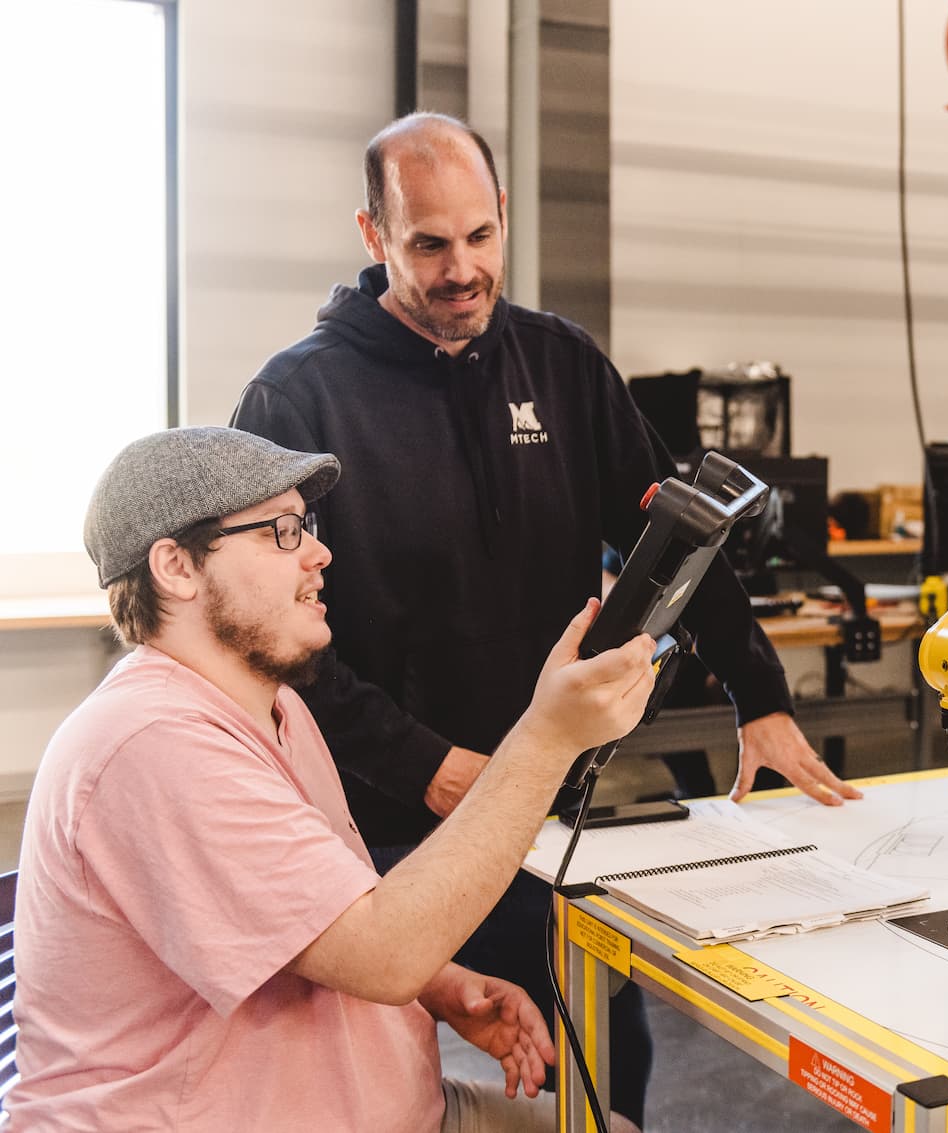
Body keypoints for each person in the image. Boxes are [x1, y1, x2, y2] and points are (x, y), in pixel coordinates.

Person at [229, 111, 860, 1123]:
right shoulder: (298, 401)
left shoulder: (560, 365)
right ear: (371, 234)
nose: (460, 269)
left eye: (480, 237)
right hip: (373, 824)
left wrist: (760, 693)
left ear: (504, 218)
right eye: (428, 243)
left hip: (543, 802)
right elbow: (273, 644)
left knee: (605, 1022)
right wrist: (424, 765)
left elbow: (675, 527)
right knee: (375, 1050)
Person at [11, 426, 657, 1132]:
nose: (320, 553)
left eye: (307, 527)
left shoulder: (275, 703)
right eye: (282, 531)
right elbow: (385, 951)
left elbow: (310, 914)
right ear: (176, 566)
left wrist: (441, 985)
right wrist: (548, 738)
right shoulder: (153, 743)